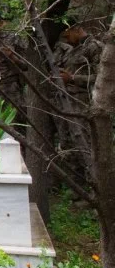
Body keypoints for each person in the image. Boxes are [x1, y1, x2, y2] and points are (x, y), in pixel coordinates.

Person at [53, 18, 101, 178]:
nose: (66, 40)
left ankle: (93, 187)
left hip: (81, 103)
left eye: (67, 36)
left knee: (84, 144)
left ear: (76, 29)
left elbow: (102, 78)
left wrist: (73, 78)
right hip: (65, 102)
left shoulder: (94, 47)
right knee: (68, 144)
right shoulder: (72, 49)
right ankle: (77, 191)